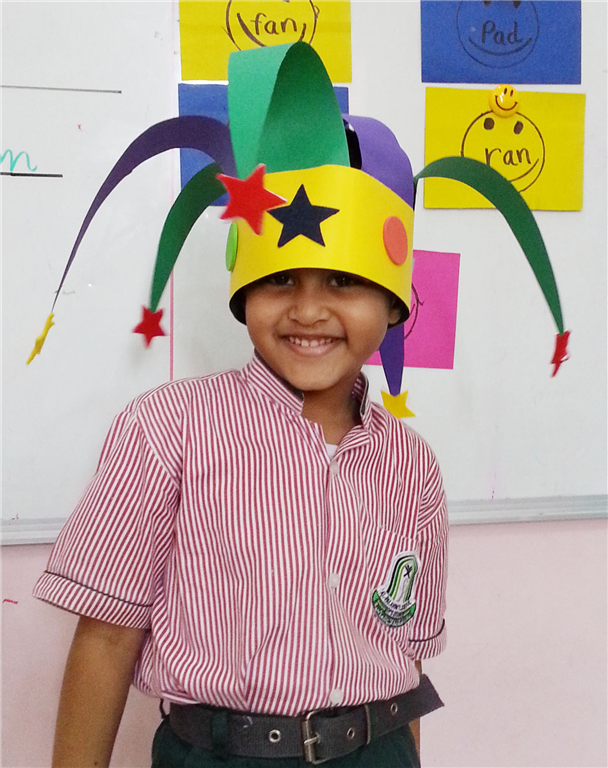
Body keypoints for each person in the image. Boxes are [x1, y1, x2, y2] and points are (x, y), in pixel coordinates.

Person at [34, 39, 567, 768]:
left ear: (394, 305)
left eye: (343, 283)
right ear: (243, 293)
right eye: (281, 280)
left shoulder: (411, 465)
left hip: (376, 748)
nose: (308, 311)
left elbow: (404, 660)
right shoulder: (166, 430)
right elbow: (105, 637)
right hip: (218, 755)